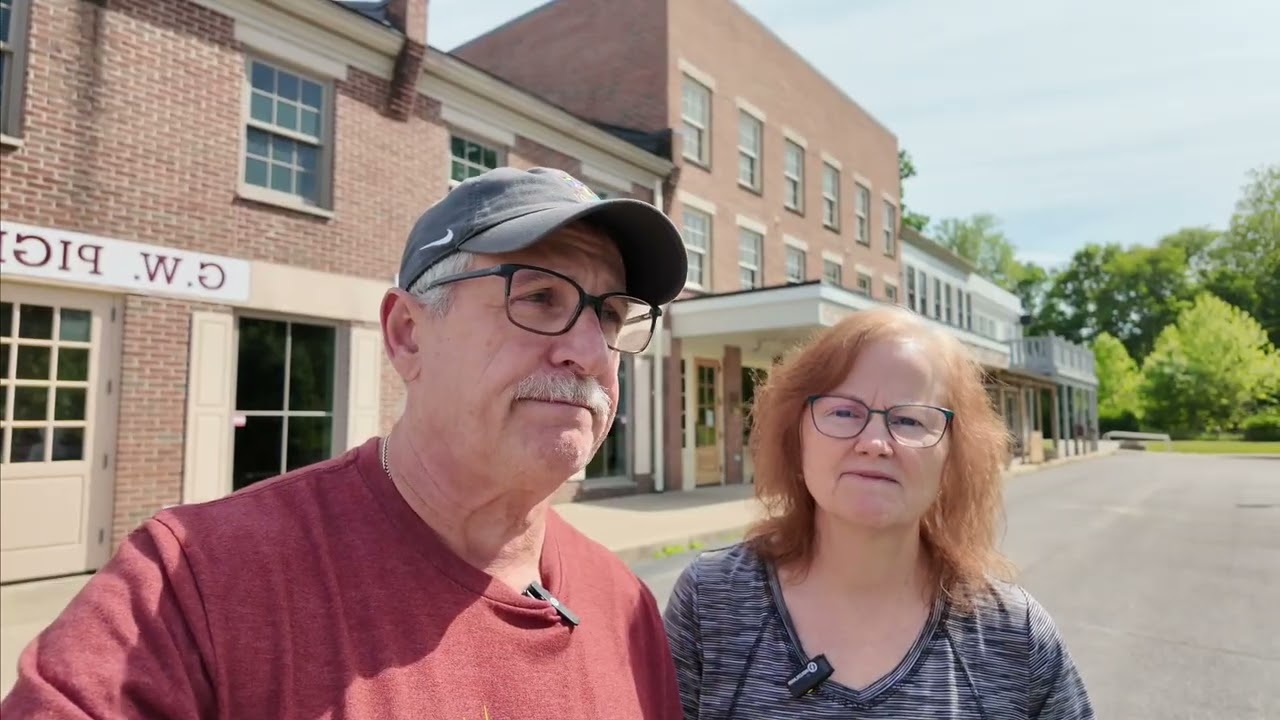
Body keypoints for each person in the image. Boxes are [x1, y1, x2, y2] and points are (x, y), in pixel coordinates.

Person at [1, 167, 690, 719]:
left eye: (610, 313)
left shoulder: (624, 603)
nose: (589, 351)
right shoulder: (195, 585)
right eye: (539, 296)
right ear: (408, 335)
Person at [663, 306, 1095, 719]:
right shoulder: (711, 601)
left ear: (953, 457)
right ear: (796, 441)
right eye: (844, 412)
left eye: (909, 420)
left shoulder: (1014, 636)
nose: (874, 442)